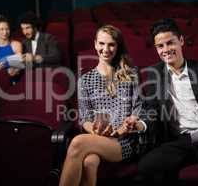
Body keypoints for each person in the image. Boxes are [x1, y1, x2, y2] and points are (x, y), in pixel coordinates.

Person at [138, 19, 198, 186]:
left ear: (181, 41)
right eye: (160, 46)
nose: (166, 50)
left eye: (170, 43)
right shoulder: (154, 74)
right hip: (181, 140)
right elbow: (151, 111)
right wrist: (140, 123)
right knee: (146, 167)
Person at [59, 25, 146, 186]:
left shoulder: (131, 74)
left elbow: (138, 111)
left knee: (77, 142)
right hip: (98, 138)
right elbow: (84, 118)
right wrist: (96, 130)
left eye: (111, 44)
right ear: (95, 44)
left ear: (117, 46)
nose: (106, 49)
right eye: (102, 43)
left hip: (125, 141)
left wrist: (119, 131)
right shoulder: (85, 80)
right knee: (89, 162)